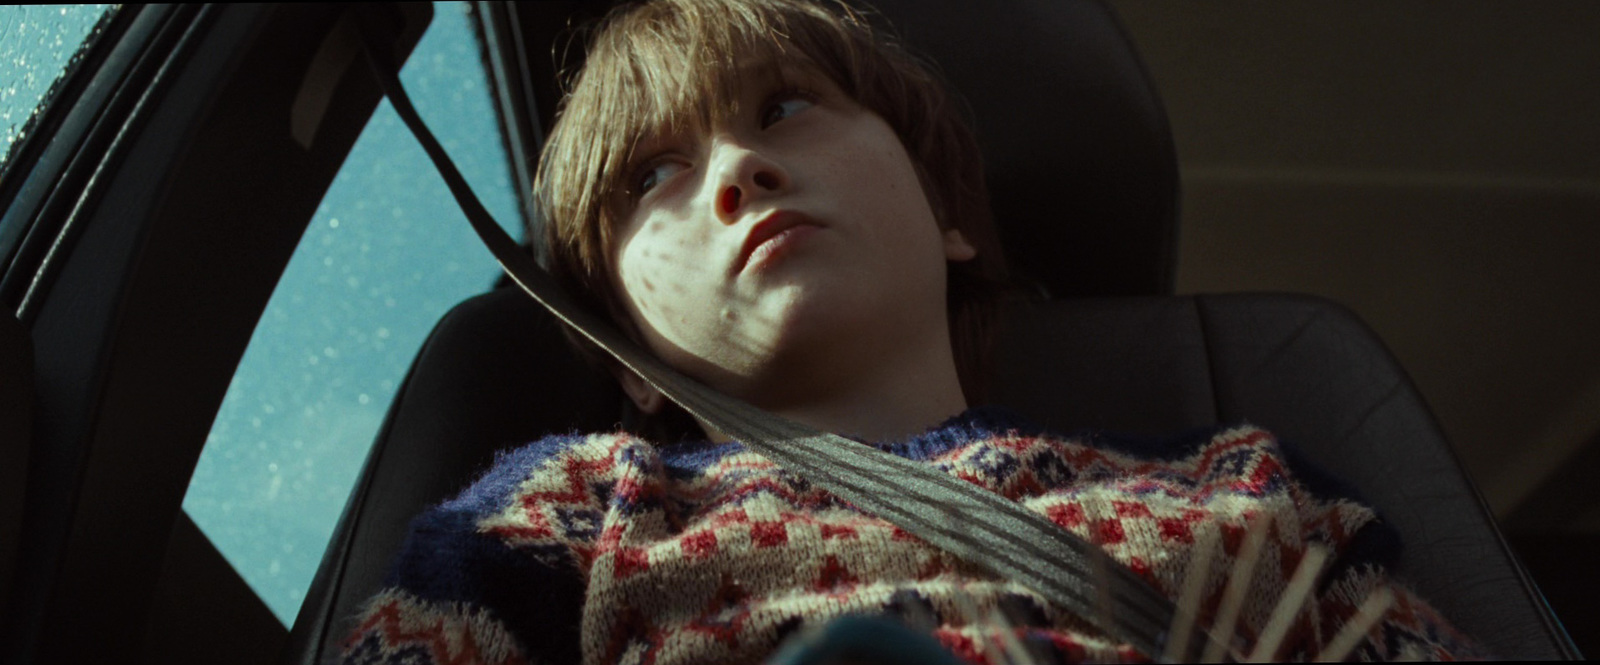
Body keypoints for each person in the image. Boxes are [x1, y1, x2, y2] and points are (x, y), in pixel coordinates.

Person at [340, 0, 1483, 662]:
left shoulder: (1247, 492)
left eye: (783, 106)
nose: (740, 167)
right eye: (652, 176)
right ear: (633, 361)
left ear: (948, 219)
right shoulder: (574, 511)